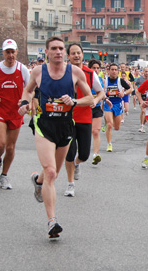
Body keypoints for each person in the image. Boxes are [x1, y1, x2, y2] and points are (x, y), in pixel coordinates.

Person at [17, 37, 93, 239]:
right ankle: (52, 222)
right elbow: (28, 90)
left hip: (66, 127)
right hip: (44, 126)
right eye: (54, 49)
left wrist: (75, 101)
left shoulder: (75, 72)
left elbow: (91, 98)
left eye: (61, 48)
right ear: (47, 52)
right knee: (51, 172)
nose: (58, 51)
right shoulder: (39, 71)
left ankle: (37, 181)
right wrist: (24, 103)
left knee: (53, 174)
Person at [0, 39, 30, 189]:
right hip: (0, 110)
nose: (10, 55)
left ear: (17, 52)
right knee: (0, 144)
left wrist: (24, 100)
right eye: (7, 52)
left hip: (16, 112)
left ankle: (4, 175)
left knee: (10, 148)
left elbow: (30, 89)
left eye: (13, 52)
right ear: (3, 53)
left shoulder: (22, 69)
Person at [63, 43, 105, 197]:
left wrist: (96, 100)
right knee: (70, 151)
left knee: (85, 154)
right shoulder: (63, 72)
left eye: (78, 53)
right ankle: (70, 184)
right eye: (73, 53)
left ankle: (76, 163)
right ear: (68, 56)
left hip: (85, 117)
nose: (76, 56)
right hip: (67, 118)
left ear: (82, 55)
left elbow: (101, 92)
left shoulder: (89, 73)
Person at [102, 63, 132, 152]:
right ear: (109, 71)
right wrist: (104, 97)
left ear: (118, 71)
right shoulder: (105, 81)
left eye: (116, 70)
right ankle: (109, 144)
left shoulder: (120, 81)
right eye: (112, 69)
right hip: (108, 104)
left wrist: (124, 93)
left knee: (117, 127)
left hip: (117, 104)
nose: (114, 71)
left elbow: (130, 89)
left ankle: (107, 121)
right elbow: (100, 91)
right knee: (110, 124)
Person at [88, 59, 105, 165]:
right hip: (85, 108)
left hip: (97, 107)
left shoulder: (100, 80)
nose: (96, 70)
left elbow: (102, 93)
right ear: (90, 69)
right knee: (82, 131)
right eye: (94, 68)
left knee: (95, 131)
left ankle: (95, 154)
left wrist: (105, 99)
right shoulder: (84, 78)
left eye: (98, 68)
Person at [135, 67, 148, 133]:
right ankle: (142, 126)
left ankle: (143, 124)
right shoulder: (140, 78)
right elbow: (135, 84)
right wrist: (136, 90)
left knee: (146, 112)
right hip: (142, 96)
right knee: (143, 110)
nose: (147, 73)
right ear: (143, 72)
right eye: (145, 71)